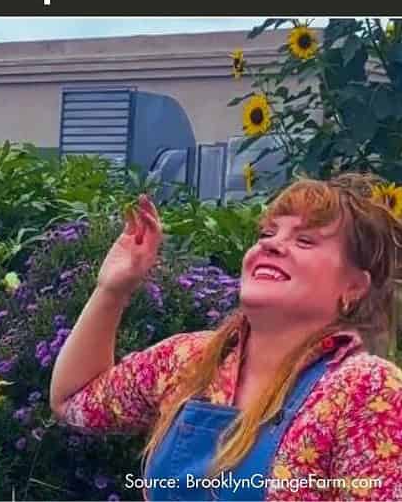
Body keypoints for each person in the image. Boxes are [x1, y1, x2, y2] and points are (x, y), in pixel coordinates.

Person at [50, 175, 402, 500]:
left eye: (305, 240)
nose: (272, 245)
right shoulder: (187, 360)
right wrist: (112, 290)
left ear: (354, 287)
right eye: (267, 233)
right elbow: (73, 400)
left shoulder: (366, 390)